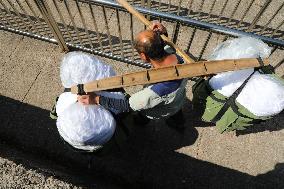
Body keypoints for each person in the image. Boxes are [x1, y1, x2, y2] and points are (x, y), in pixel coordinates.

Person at [77, 21, 187, 131]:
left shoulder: (154, 92)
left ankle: (141, 122)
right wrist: (162, 34)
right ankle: (179, 123)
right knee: (176, 112)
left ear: (143, 56)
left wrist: (96, 99)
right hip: (178, 100)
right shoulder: (179, 58)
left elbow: (126, 105)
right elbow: (166, 47)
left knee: (143, 116)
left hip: (157, 110)